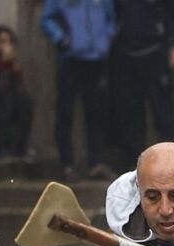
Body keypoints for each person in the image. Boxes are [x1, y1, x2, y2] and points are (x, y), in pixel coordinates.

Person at [41, 0, 116, 179]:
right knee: (65, 112)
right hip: (70, 60)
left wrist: (107, 38)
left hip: (97, 59)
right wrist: (61, 38)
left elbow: (111, 18)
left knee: (96, 112)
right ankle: (67, 165)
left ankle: (95, 163)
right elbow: (47, 20)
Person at [109, 0, 174, 164]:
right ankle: (133, 169)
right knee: (129, 115)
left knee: (163, 114)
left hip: (156, 53)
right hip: (125, 54)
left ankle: (171, 165)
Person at [0, 26, 32, 160]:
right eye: (2, 41)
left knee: (26, 102)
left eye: (8, 41)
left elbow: (19, 85)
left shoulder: (12, 60)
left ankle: (21, 148)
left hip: (11, 96)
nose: (6, 45)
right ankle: (2, 148)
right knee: (5, 102)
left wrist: (13, 65)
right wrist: (3, 64)